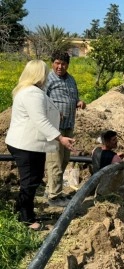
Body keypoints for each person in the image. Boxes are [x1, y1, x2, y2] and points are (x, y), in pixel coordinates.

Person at [5, 60, 75, 230]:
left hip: (29, 144)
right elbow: (40, 120)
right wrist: (61, 138)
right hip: (26, 145)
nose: (46, 76)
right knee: (30, 182)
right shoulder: (32, 93)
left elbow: (40, 112)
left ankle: (20, 210)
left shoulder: (30, 91)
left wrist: (56, 114)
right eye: (44, 72)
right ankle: (27, 219)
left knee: (33, 179)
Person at [45, 51, 86, 207]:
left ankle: (51, 189)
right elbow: (40, 102)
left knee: (64, 160)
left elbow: (74, 98)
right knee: (54, 161)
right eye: (57, 63)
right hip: (54, 129)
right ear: (52, 63)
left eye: (63, 64)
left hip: (68, 126)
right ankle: (54, 197)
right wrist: (53, 112)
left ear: (68, 65)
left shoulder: (71, 80)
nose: (60, 66)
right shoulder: (47, 79)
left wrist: (79, 102)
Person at [91, 130, 124, 196]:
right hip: (105, 187)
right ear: (107, 142)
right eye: (113, 140)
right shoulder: (114, 157)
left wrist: (116, 155)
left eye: (116, 139)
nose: (116, 141)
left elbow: (103, 156)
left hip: (95, 182)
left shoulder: (95, 150)